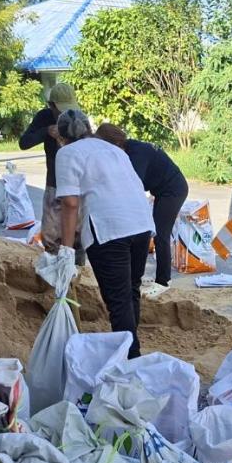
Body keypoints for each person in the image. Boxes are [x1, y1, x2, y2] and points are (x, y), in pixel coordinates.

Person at [55, 110, 154, 358]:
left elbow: (69, 203)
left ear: (62, 137)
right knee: (130, 291)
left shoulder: (67, 153)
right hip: (140, 223)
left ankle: (130, 361)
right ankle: (131, 347)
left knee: (118, 300)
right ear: (89, 128)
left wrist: (66, 251)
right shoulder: (113, 149)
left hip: (109, 229)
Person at [94, 123, 189, 298]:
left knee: (160, 235)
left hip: (173, 190)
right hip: (161, 191)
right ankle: (147, 276)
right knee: (155, 232)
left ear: (115, 145)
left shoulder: (137, 153)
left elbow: (133, 184)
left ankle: (163, 281)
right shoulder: (129, 150)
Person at [20, 81, 84, 262]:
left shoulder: (76, 116)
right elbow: (24, 143)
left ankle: (77, 273)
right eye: (60, 109)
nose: (64, 113)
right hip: (53, 183)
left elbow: (88, 144)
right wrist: (46, 131)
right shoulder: (44, 117)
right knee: (51, 235)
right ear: (51, 105)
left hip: (77, 182)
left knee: (78, 236)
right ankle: (53, 273)